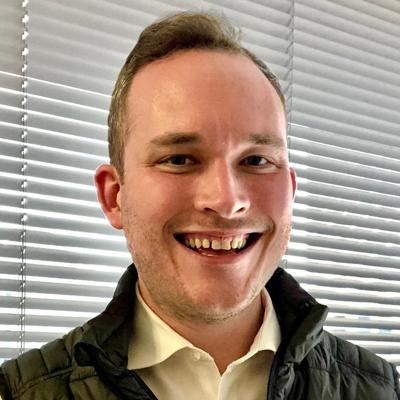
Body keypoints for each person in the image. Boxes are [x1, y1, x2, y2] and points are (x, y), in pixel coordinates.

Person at [0, 11, 399, 400]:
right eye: (179, 159)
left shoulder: (381, 389)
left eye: (256, 160)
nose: (226, 201)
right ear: (114, 196)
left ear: (290, 192)